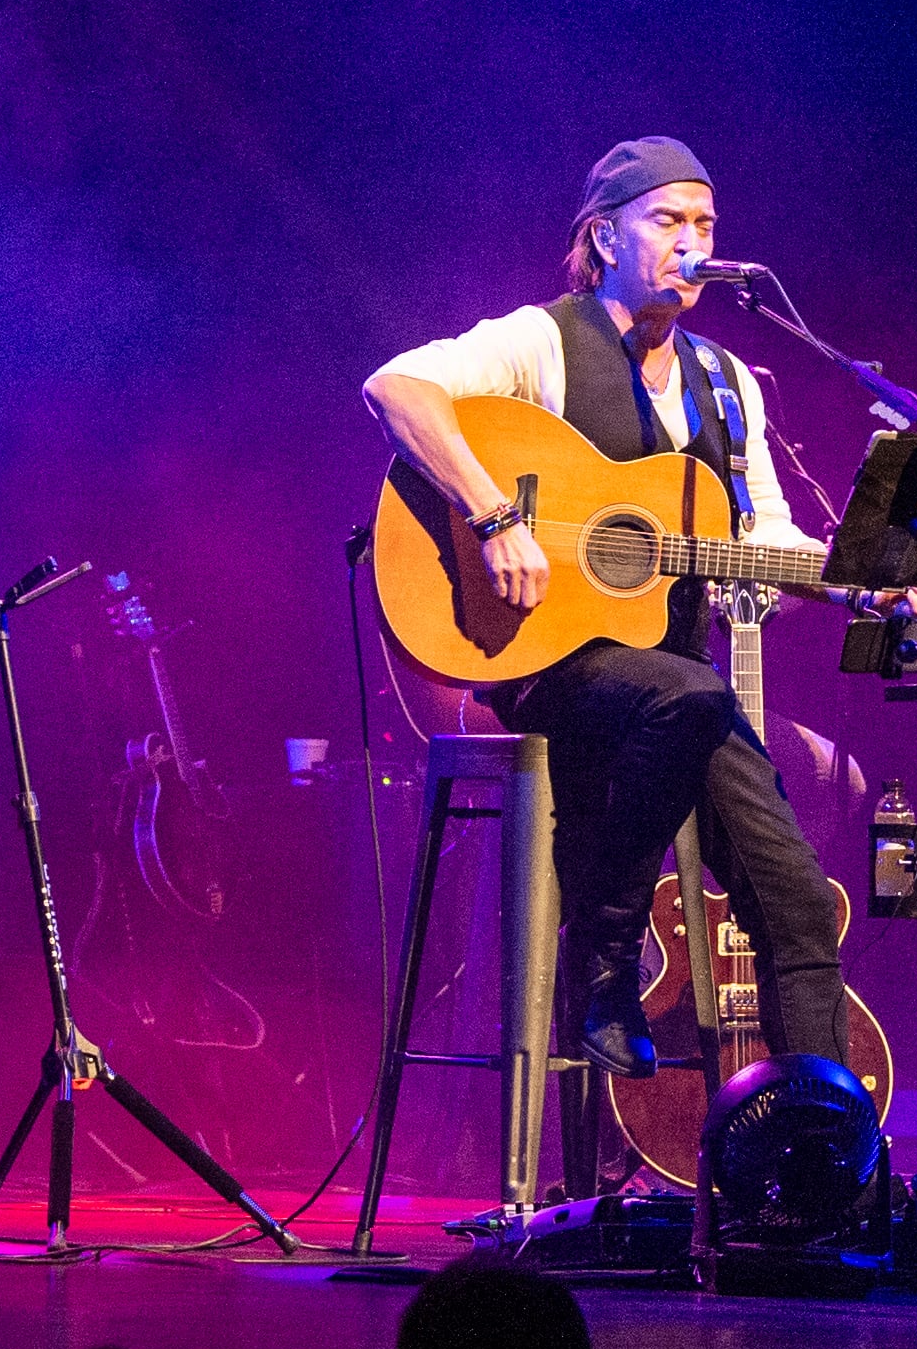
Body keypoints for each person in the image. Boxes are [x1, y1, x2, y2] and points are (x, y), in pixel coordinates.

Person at [361, 135, 869, 1081]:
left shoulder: (726, 386)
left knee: (797, 899)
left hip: (678, 694)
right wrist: (496, 513)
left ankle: (820, 1157)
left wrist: (857, 578)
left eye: (706, 225)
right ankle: (603, 956)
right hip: (542, 661)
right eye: (667, 221)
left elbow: (764, 547)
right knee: (688, 696)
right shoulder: (543, 339)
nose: (693, 243)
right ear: (603, 235)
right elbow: (397, 388)